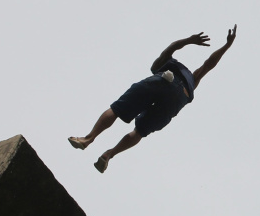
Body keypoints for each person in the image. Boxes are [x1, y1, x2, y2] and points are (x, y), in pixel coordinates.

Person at [68, 25, 237, 173]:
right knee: (140, 131)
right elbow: (208, 63)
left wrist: (189, 41)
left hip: (162, 81)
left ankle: (88, 139)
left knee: (118, 110)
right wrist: (226, 46)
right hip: (179, 99)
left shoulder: (162, 65)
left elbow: (171, 49)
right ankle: (108, 155)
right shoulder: (192, 79)